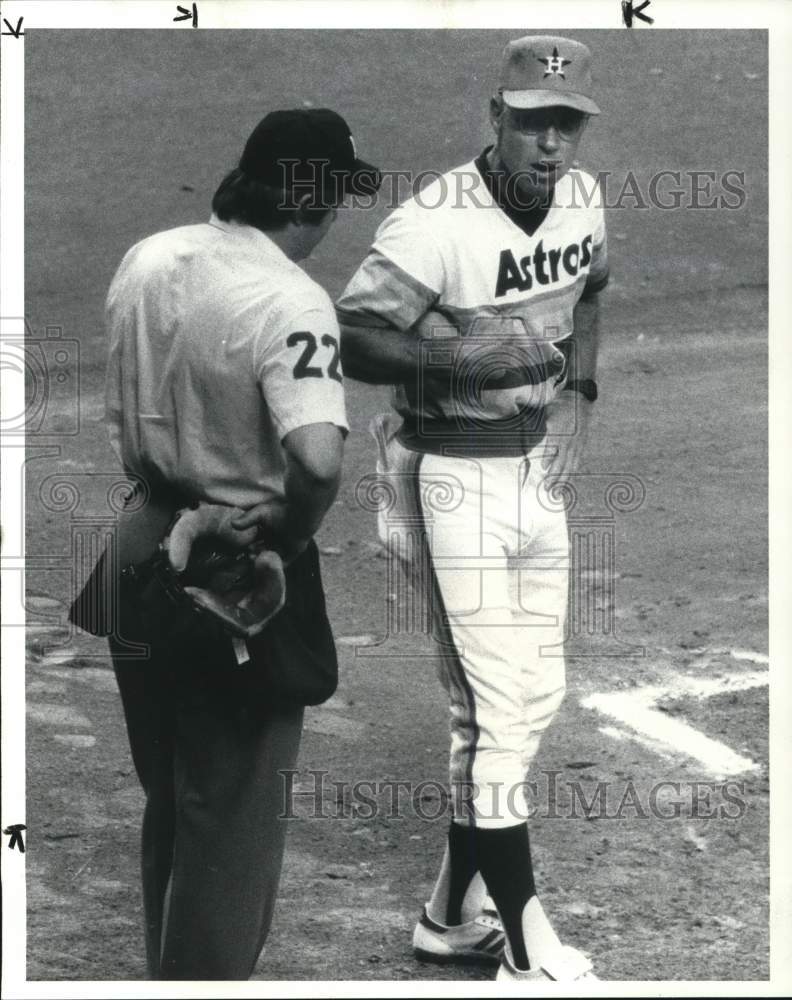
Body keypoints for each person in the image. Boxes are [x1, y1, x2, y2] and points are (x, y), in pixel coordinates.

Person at [337, 36, 607, 982]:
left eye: (565, 124)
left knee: (527, 700)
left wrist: (581, 391)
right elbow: (354, 337)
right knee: (497, 705)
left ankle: (449, 914)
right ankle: (529, 940)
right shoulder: (431, 225)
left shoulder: (581, 198)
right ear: (496, 117)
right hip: (449, 476)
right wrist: (452, 361)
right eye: (532, 122)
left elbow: (591, 291)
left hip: (539, 473)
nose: (550, 144)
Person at [94, 109, 379, 979]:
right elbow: (318, 460)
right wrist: (287, 539)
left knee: (175, 802)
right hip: (228, 574)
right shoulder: (293, 300)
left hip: (140, 550)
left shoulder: (148, 255)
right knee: (232, 828)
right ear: (316, 202)